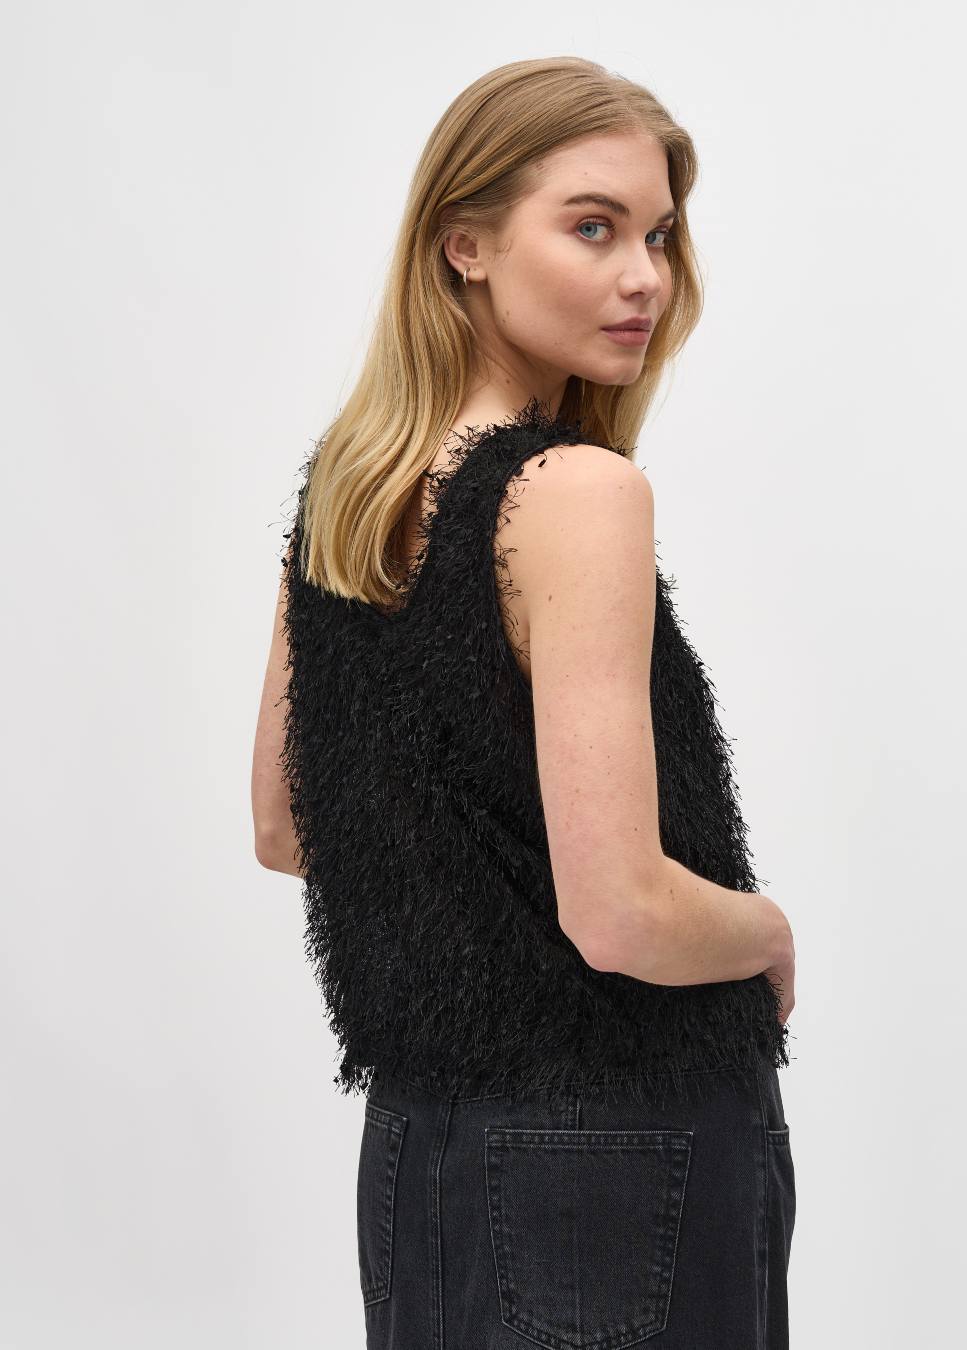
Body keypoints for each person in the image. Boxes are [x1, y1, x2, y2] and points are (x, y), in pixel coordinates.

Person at [251, 55, 797, 1350]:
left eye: (658, 234)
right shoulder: (576, 492)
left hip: (419, 1153)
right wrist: (767, 931)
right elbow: (621, 911)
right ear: (466, 246)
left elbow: (286, 825)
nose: (645, 277)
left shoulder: (351, 489)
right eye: (593, 227)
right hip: (623, 1155)